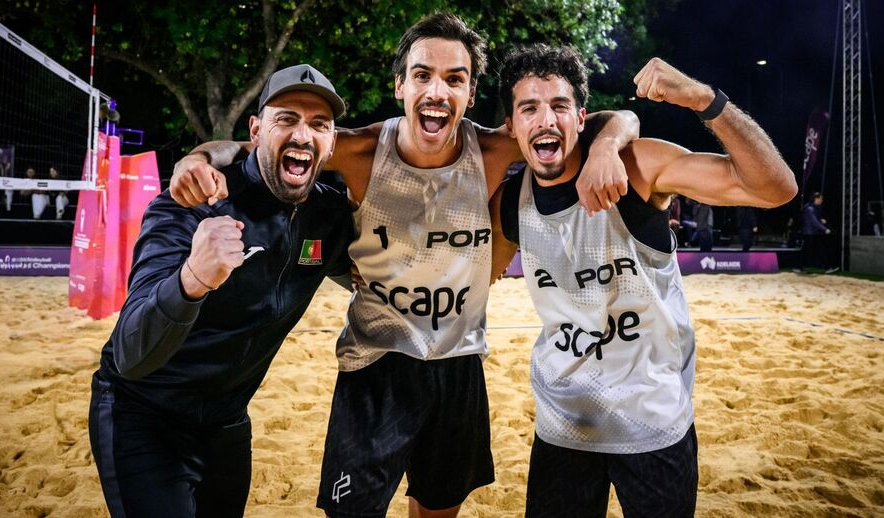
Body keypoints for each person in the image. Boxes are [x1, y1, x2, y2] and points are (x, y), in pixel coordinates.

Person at [169, 13, 639, 517]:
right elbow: (248, 147)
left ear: (470, 94)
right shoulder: (362, 151)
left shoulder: (494, 149)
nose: (437, 90)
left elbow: (617, 119)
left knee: (438, 509)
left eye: (454, 79)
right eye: (422, 75)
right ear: (400, 86)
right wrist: (197, 159)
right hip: (376, 363)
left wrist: (606, 147)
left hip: (458, 362)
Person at [489, 45, 796, 517]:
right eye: (529, 108)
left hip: (652, 421)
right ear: (512, 127)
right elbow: (474, 278)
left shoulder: (637, 168)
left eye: (560, 106)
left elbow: (775, 188)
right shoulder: (511, 202)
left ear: (581, 117)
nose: (546, 119)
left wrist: (703, 100)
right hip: (563, 424)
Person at [88, 64, 355, 517]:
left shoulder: (329, 215)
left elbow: (375, 270)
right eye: (286, 119)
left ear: (331, 143)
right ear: (256, 130)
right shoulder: (193, 204)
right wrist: (193, 278)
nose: (302, 134)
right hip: (144, 414)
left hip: (227, 422)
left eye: (319, 125)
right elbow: (131, 354)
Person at [798, 192, 834, 272]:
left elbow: (815, 220)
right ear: (816, 199)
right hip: (809, 234)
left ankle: (826, 267)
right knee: (809, 250)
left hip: (814, 233)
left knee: (820, 250)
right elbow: (814, 221)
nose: (822, 200)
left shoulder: (813, 207)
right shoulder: (810, 208)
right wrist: (825, 229)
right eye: (821, 199)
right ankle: (800, 267)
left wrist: (821, 220)